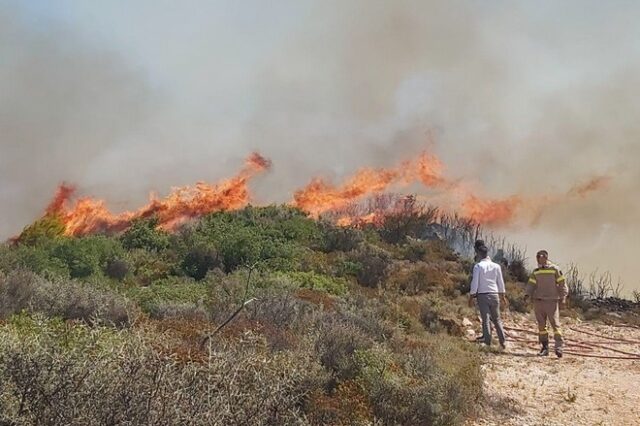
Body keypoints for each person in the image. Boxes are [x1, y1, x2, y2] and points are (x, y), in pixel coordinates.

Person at [525, 250, 568, 357]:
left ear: (545, 257)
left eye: (540, 257)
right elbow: (531, 285)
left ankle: (559, 347)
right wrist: (527, 295)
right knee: (541, 326)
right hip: (539, 301)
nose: (539, 260)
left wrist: (563, 298)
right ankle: (545, 348)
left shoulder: (555, 270)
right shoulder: (536, 272)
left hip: (551, 301)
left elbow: (562, 284)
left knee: (555, 325)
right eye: (537, 258)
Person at [468, 245, 507, 349]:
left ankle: (487, 341)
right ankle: (503, 342)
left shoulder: (478, 266)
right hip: (494, 295)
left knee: (485, 319)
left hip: (483, 295)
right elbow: (500, 282)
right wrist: (502, 296)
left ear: (479, 254)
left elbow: (475, 282)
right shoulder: (496, 266)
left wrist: (472, 296)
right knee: (497, 319)